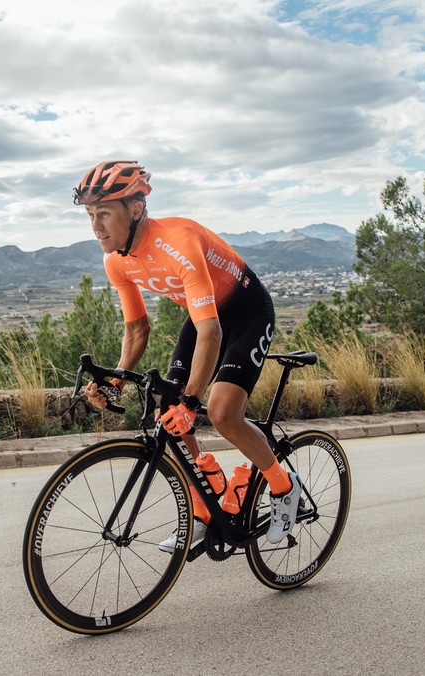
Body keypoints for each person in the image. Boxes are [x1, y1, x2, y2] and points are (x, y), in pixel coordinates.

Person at [74, 159, 301, 550]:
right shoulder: (115, 262)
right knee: (168, 416)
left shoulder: (178, 243)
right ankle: (205, 502)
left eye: (104, 214)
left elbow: (212, 332)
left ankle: (284, 489)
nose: (96, 227)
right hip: (203, 316)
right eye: (91, 215)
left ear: (136, 209)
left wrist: (192, 400)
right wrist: (113, 381)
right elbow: (137, 330)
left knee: (221, 413)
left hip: (246, 313)